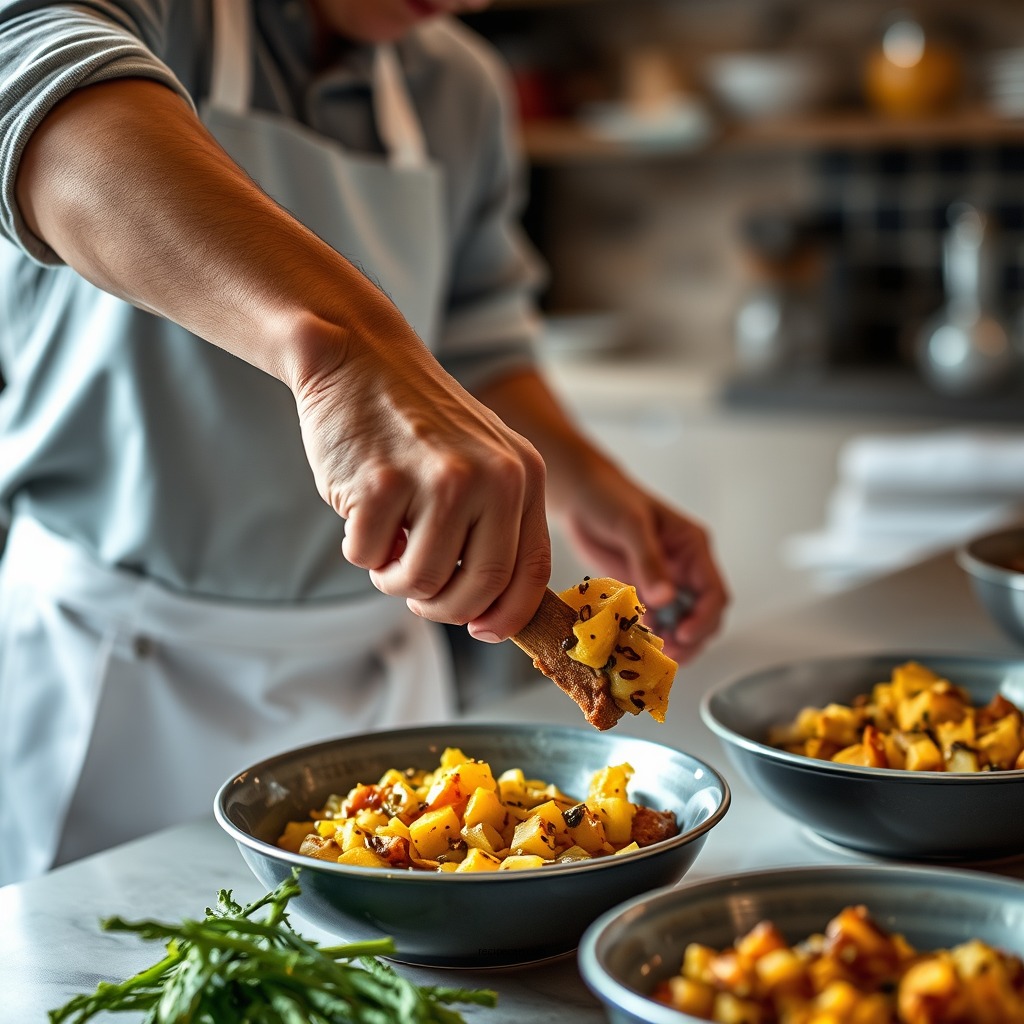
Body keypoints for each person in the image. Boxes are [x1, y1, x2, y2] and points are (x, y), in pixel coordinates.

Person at [0, 0, 729, 886]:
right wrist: (346, 354)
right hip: (113, 675)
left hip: (372, 681)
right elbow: (32, 89)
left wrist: (589, 480)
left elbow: (471, 344)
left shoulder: (460, 88)